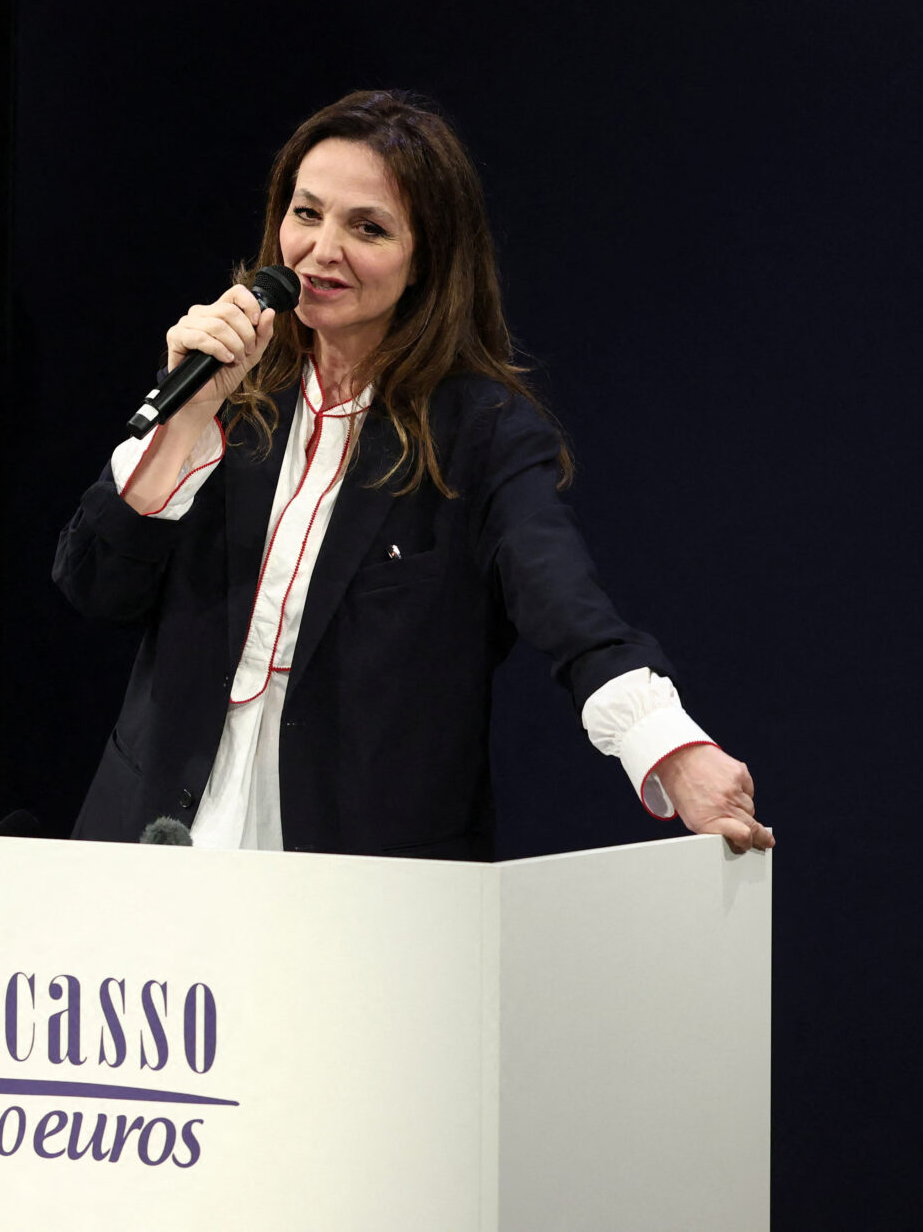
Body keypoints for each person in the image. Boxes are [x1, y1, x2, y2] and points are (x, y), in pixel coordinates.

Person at [53, 90, 771, 859]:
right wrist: (186, 418)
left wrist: (671, 748)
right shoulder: (231, 388)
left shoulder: (479, 432)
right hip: (156, 843)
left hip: (360, 870)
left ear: (425, 257)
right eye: (306, 213)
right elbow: (95, 586)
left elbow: (566, 603)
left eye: (368, 228)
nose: (322, 249)